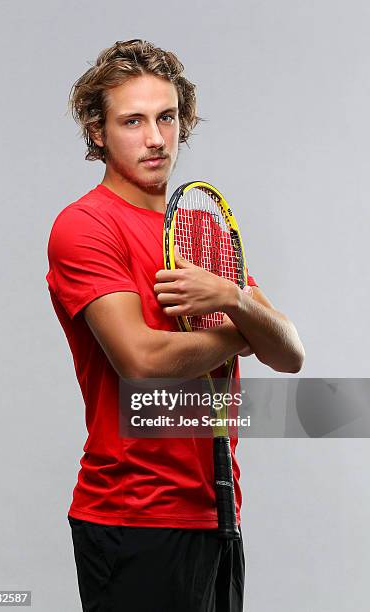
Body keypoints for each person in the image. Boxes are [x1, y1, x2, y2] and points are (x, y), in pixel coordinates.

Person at [46, 39, 304, 612]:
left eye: (167, 117)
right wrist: (242, 328)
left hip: (217, 512)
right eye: (132, 121)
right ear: (97, 131)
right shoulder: (85, 227)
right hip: (132, 517)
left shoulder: (200, 232)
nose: (156, 138)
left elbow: (289, 353)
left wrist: (232, 296)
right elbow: (142, 362)